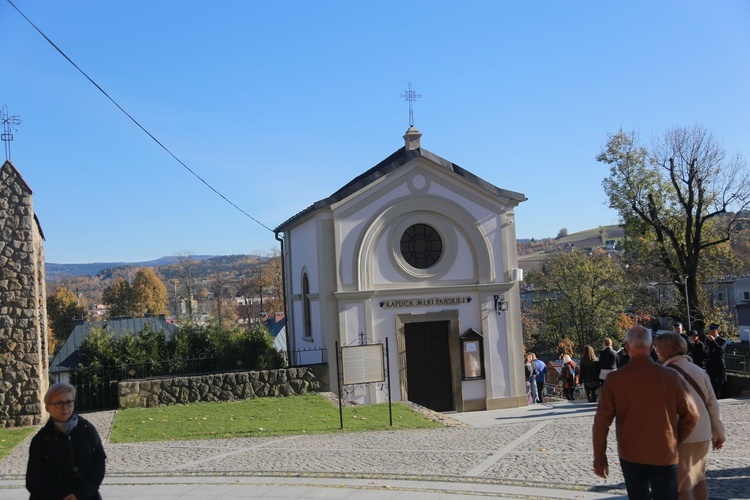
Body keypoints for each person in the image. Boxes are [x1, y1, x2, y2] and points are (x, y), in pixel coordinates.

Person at [592, 326, 699, 500]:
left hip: (631, 451)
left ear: (626, 346)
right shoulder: (670, 376)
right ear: (651, 348)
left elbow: (601, 424)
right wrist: (676, 437)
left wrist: (600, 459)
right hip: (665, 449)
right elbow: (692, 415)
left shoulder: (615, 379)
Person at [655, 332, 726, 500]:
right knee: (698, 479)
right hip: (702, 433)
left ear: (664, 350)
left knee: (682, 486)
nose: (656, 352)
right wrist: (718, 432)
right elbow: (712, 405)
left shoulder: (665, 374)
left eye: (658, 348)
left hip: (681, 436)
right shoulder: (698, 371)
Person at [26, 382, 107, 500]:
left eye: (69, 402)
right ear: (48, 407)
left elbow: (99, 464)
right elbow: (33, 481)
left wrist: (81, 494)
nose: (65, 407)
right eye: (59, 403)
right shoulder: (41, 439)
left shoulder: (87, 430)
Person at [705, 324, 727, 399]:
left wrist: (713, 341)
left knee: (721, 382)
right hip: (710, 364)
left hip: (719, 364)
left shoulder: (722, 340)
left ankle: (723, 397)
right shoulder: (707, 340)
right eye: (710, 331)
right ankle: (714, 397)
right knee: (712, 382)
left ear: (717, 331)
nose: (712, 333)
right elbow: (706, 351)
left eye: (713, 331)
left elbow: (720, 350)